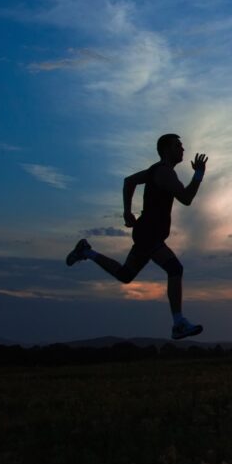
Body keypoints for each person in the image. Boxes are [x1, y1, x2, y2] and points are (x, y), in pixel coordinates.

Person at [66, 134, 208, 340]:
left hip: (146, 233)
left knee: (125, 275)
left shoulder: (154, 171)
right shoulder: (164, 172)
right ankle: (178, 323)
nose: (183, 149)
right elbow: (186, 198)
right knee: (175, 268)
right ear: (166, 150)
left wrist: (127, 211)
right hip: (149, 234)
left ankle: (86, 251)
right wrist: (199, 175)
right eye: (178, 145)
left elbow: (129, 181)